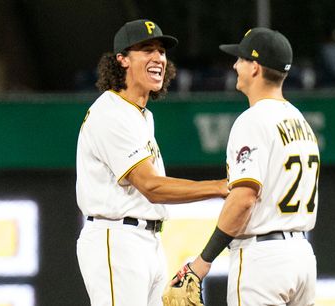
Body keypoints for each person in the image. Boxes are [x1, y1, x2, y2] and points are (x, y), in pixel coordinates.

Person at [75, 19, 229, 306]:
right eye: (146, 49)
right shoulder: (111, 112)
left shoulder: (142, 115)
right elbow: (150, 186)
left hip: (148, 240)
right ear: (121, 60)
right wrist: (218, 187)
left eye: (161, 51)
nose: (158, 57)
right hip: (116, 238)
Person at [172, 28, 320, 306]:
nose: (234, 65)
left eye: (240, 59)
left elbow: (244, 198)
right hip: (302, 256)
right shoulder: (301, 122)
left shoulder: (253, 121)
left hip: (263, 260)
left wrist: (203, 261)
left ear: (255, 67)